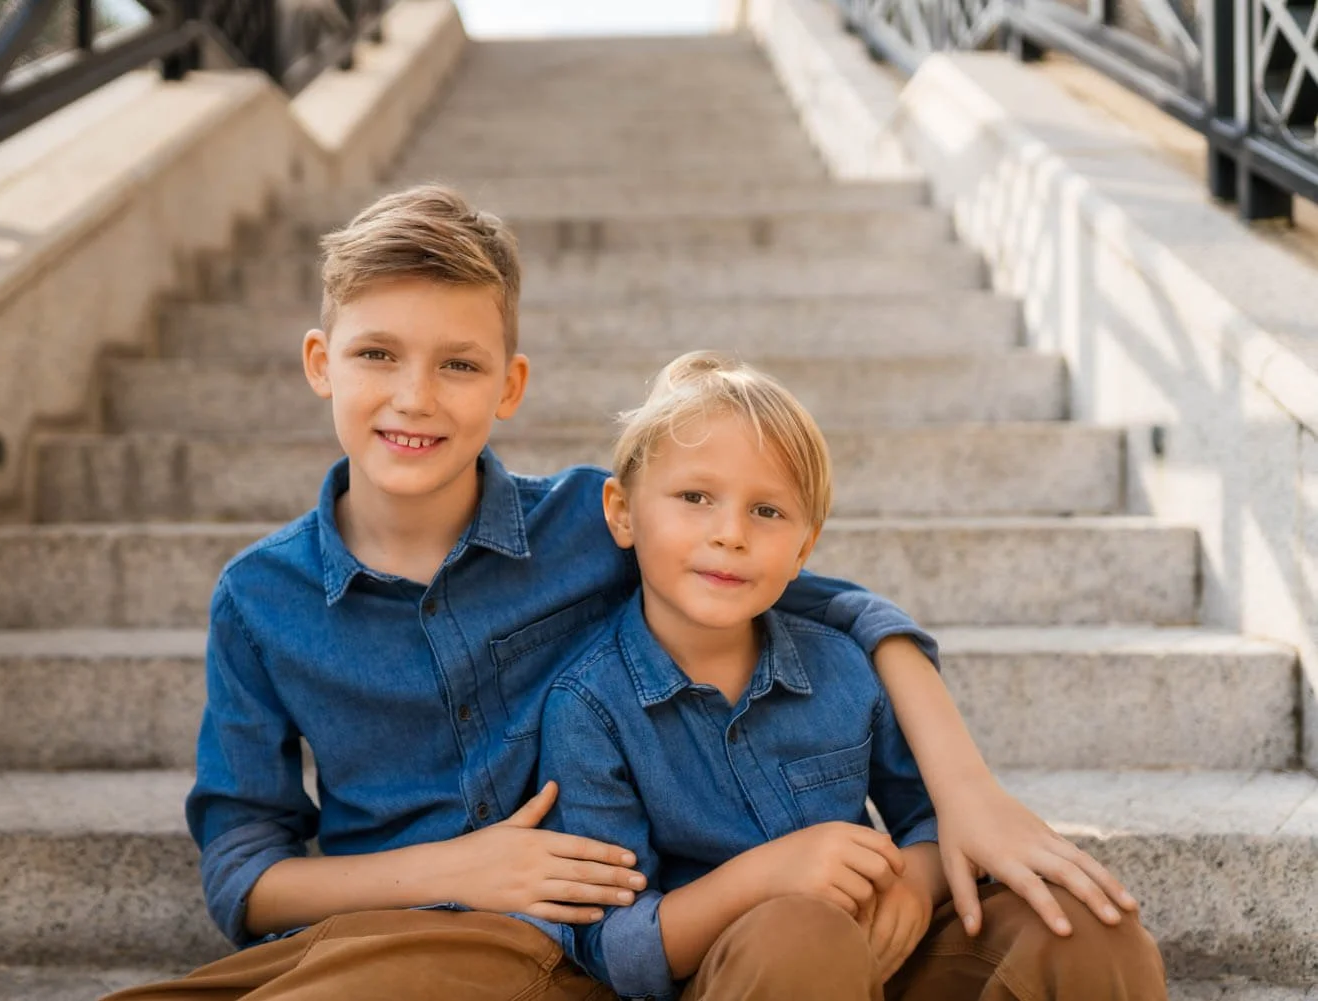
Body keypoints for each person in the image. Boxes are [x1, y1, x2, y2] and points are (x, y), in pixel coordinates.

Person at [103, 186, 1139, 1001]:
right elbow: (244, 872)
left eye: (458, 363)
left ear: (509, 385)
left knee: (1072, 924)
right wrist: (458, 866)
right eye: (379, 354)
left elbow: (828, 607)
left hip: (653, 929)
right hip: (432, 929)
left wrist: (962, 793)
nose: (415, 396)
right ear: (322, 363)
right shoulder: (260, 599)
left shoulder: (596, 522)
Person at [530, 351, 1167, 1000]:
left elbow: (938, 817)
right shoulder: (588, 707)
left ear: (805, 546)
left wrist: (916, 882)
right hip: (745, 976)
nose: (730, 533)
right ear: (622, 511)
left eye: (767, 512)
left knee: (1086, 926)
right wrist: (769, 877)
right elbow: (617, 945)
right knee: (800, 935)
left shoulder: (843, 666)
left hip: (885, 952)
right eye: (695, 497)